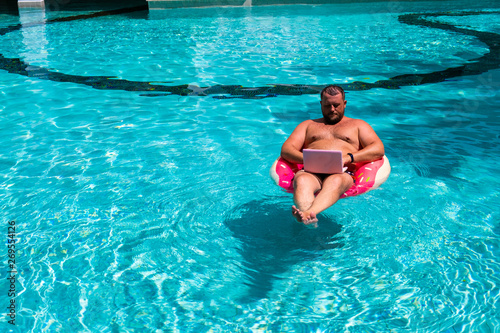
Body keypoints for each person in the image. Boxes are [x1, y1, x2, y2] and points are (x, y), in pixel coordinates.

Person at [280, 85, 385, 227]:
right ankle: (309, 221)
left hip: (342, 172)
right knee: (302, 180)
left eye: (336, 105)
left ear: (345, 104)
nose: (332, 110)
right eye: (327, 105)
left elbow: (378, 148)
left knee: (335, 181)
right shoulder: (308, 125)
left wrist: (349, 158)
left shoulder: (358, 125)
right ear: (321, 104)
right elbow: (287, 149)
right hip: (311, 171)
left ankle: (308, 214)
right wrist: (308, 159)